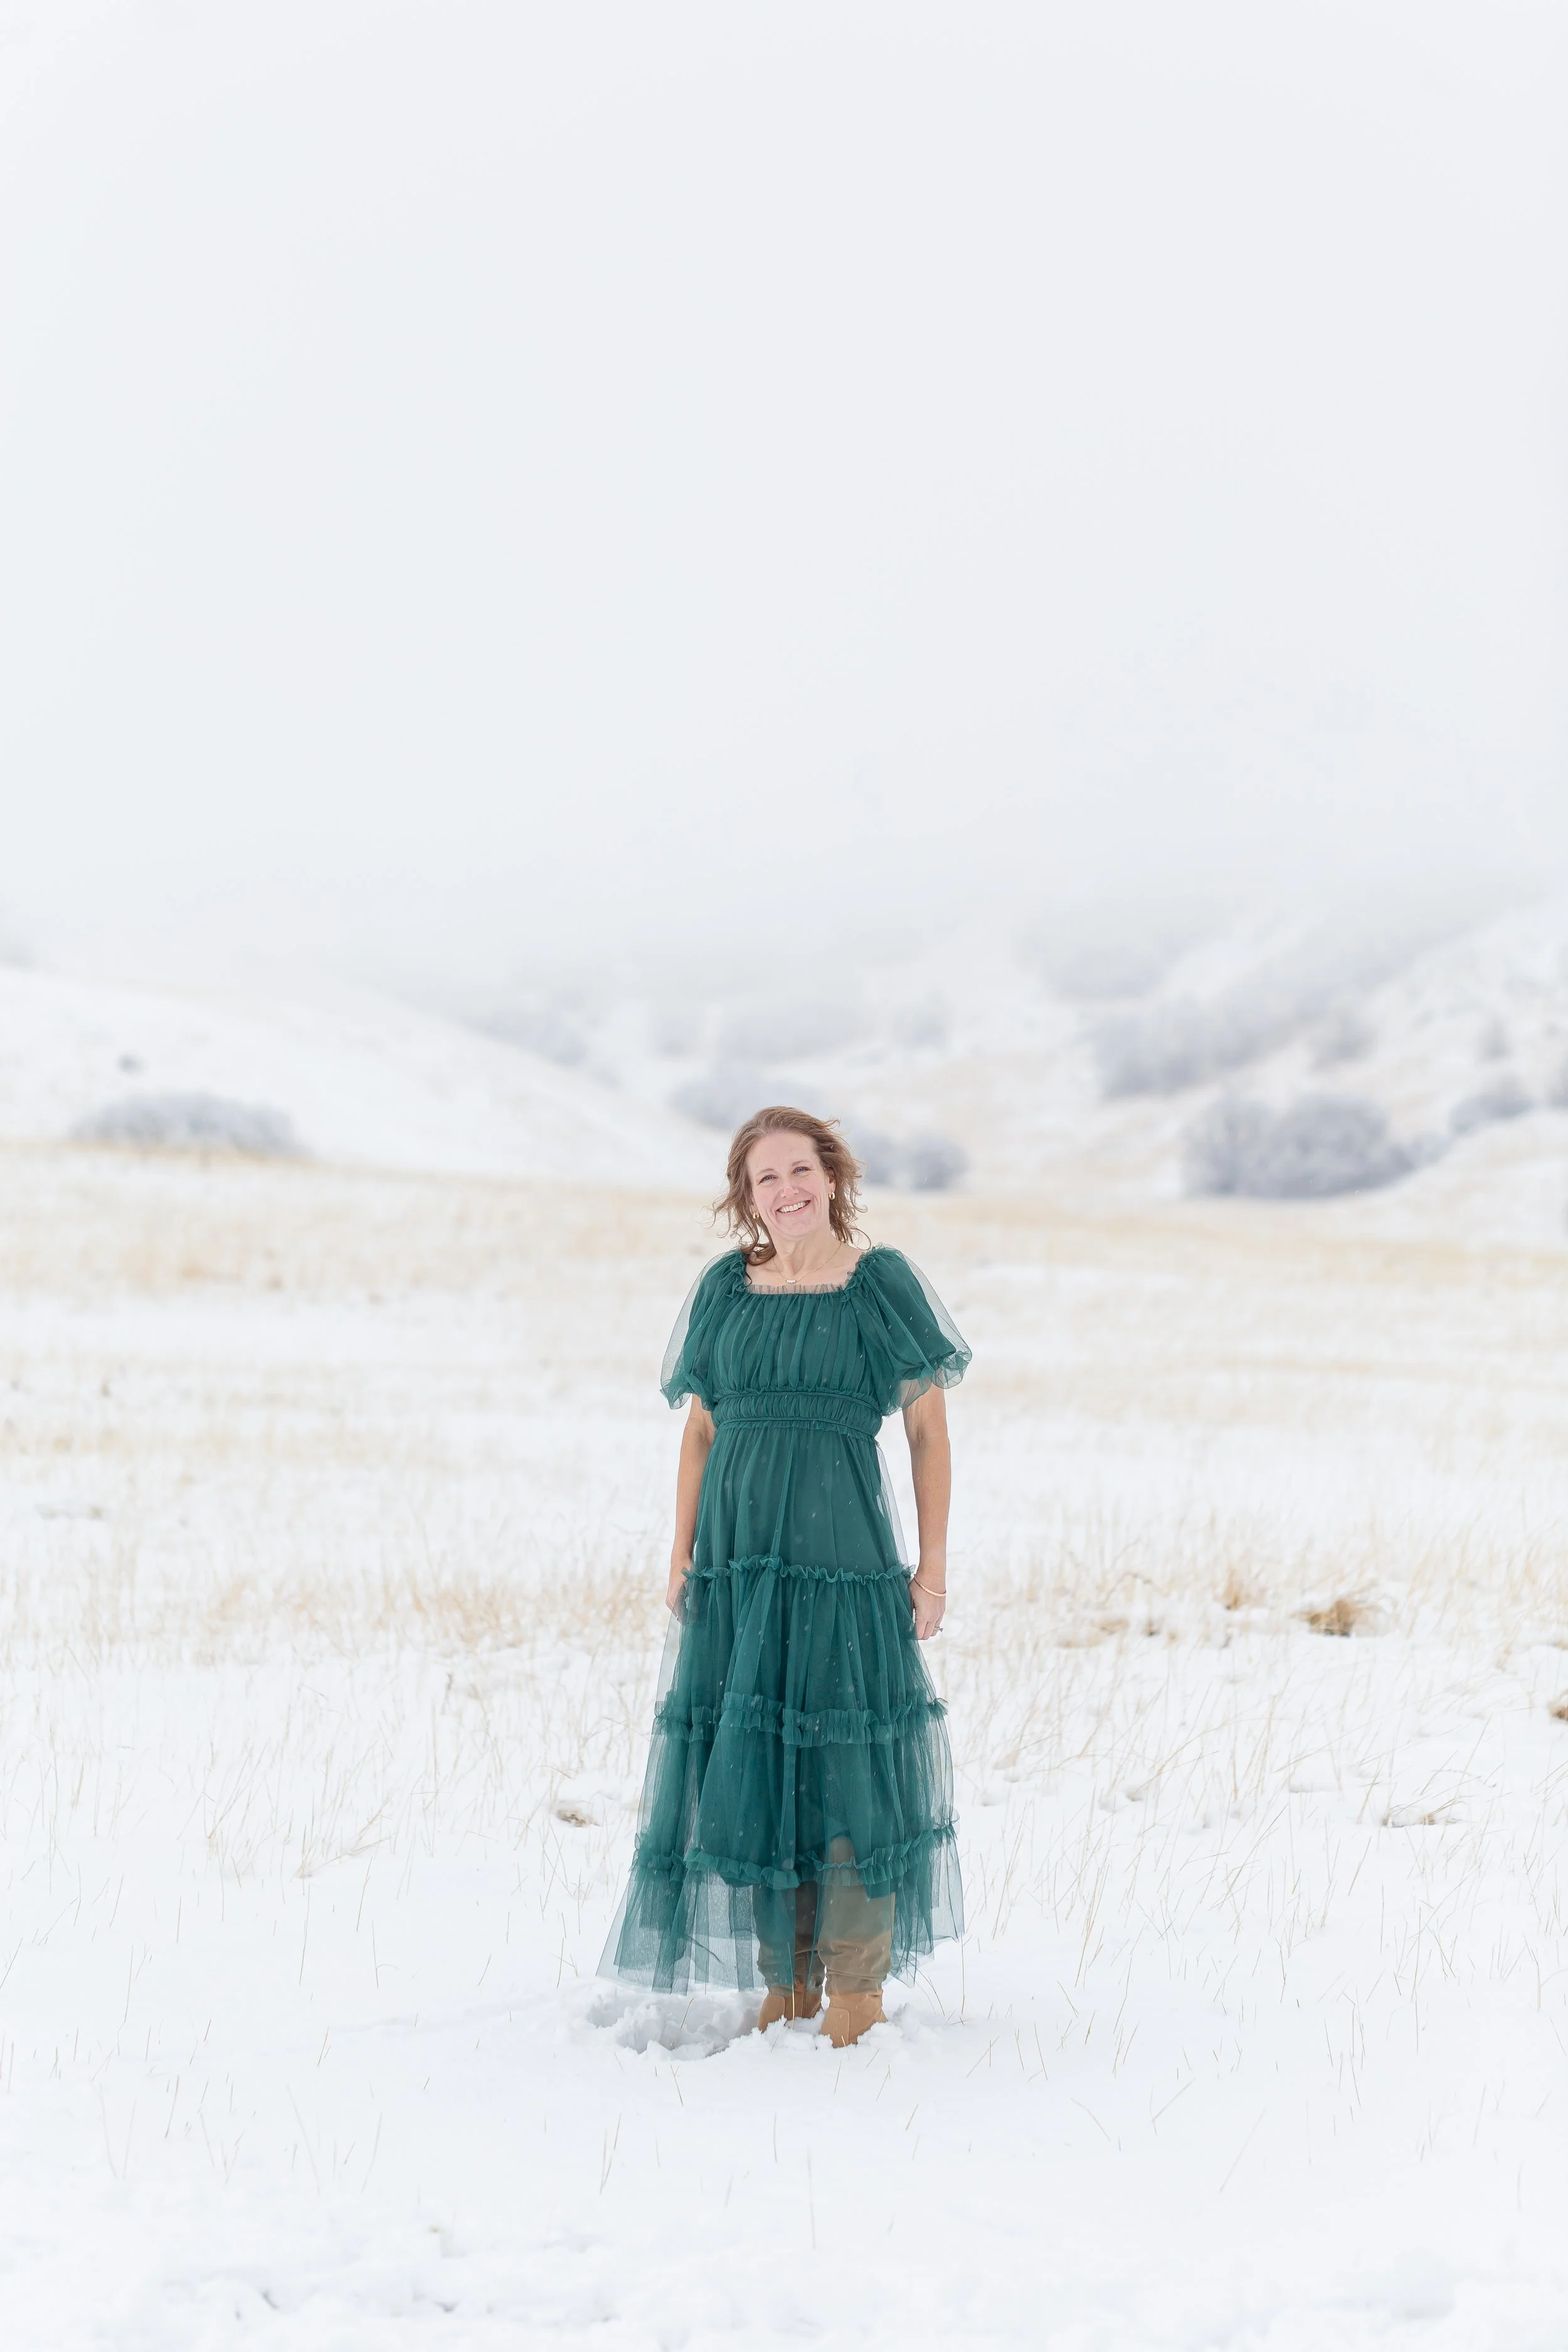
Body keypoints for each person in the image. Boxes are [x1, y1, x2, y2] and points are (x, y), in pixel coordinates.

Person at [599, 1106, 968, 2047]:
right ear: (747, 1197)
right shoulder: (726, 1290)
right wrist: (681, 1554)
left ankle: (855, 1990)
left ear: (833, 1175)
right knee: (756, 1760)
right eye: (766, 1178)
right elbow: (701, 1430)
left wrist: (932, 1570)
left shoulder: (879, 1285)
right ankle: (785, 1982)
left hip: (843, 1565)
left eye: (800, 1169)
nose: (787, 1190)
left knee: (852, 1768)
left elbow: (927, 1431)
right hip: (741, 1566)